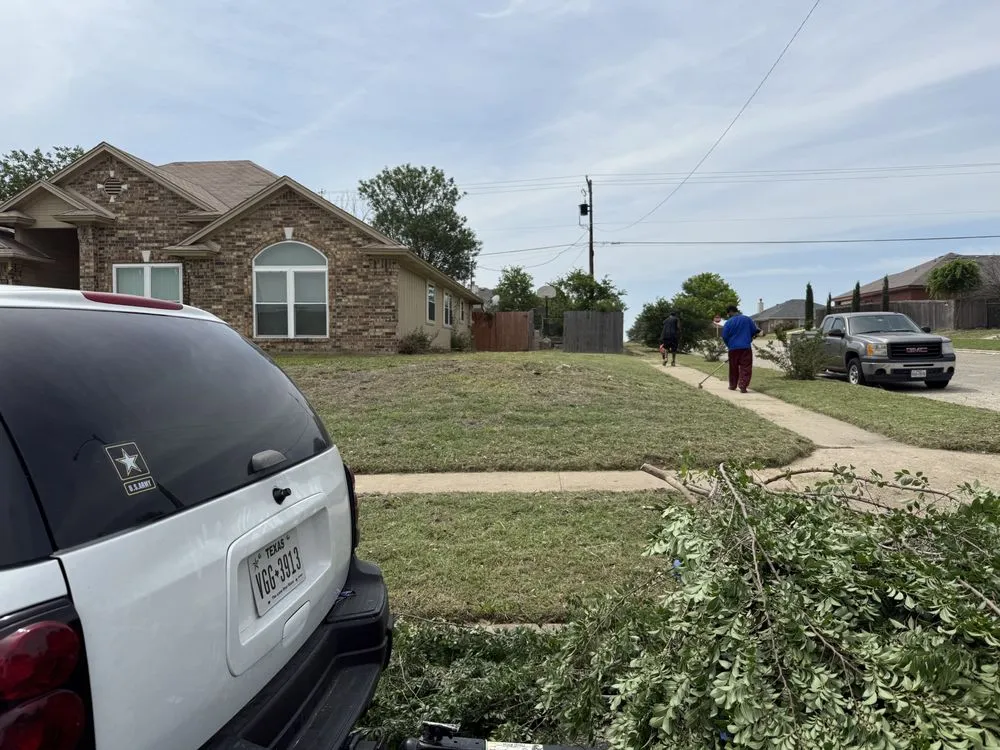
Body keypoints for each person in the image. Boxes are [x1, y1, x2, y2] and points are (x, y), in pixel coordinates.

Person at [721, 304, 761, 393]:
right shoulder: (747, 319)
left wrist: (729, 345)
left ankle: (732, 385)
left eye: (728, 313)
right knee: (745, 367)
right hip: (745, 348)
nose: (728, 315)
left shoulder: (728, 323)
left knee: (733, 367)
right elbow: (754, 331)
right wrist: (751, 336)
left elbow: (724, 336)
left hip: (733, 348)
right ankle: (743, 386)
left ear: (730, 312)